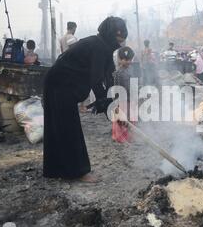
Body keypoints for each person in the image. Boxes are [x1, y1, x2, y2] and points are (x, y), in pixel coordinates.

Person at [43, 17, 128, 183]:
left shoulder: (102, 45)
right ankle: (79, 172)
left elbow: (108, 77)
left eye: (122, 38)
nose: (120, 42)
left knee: (62, 127)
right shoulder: (98, 46)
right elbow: (96, 80)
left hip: (60, 83)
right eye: (118, 37)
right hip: (59, 84)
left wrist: (112, 104)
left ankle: (60, 170)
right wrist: (106, 103)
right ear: (110, 34)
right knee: (68, 127)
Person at [112, 47, 135, 143]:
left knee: (130, 118)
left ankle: (129, 136)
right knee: (121, 119)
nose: (127, 62)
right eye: (124, 59)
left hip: (130, 98)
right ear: (119, 60)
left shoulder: (131, 71)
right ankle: (119, 137)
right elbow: (116, 88)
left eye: (129, 60)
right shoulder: (118, 73)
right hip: (121, 100)